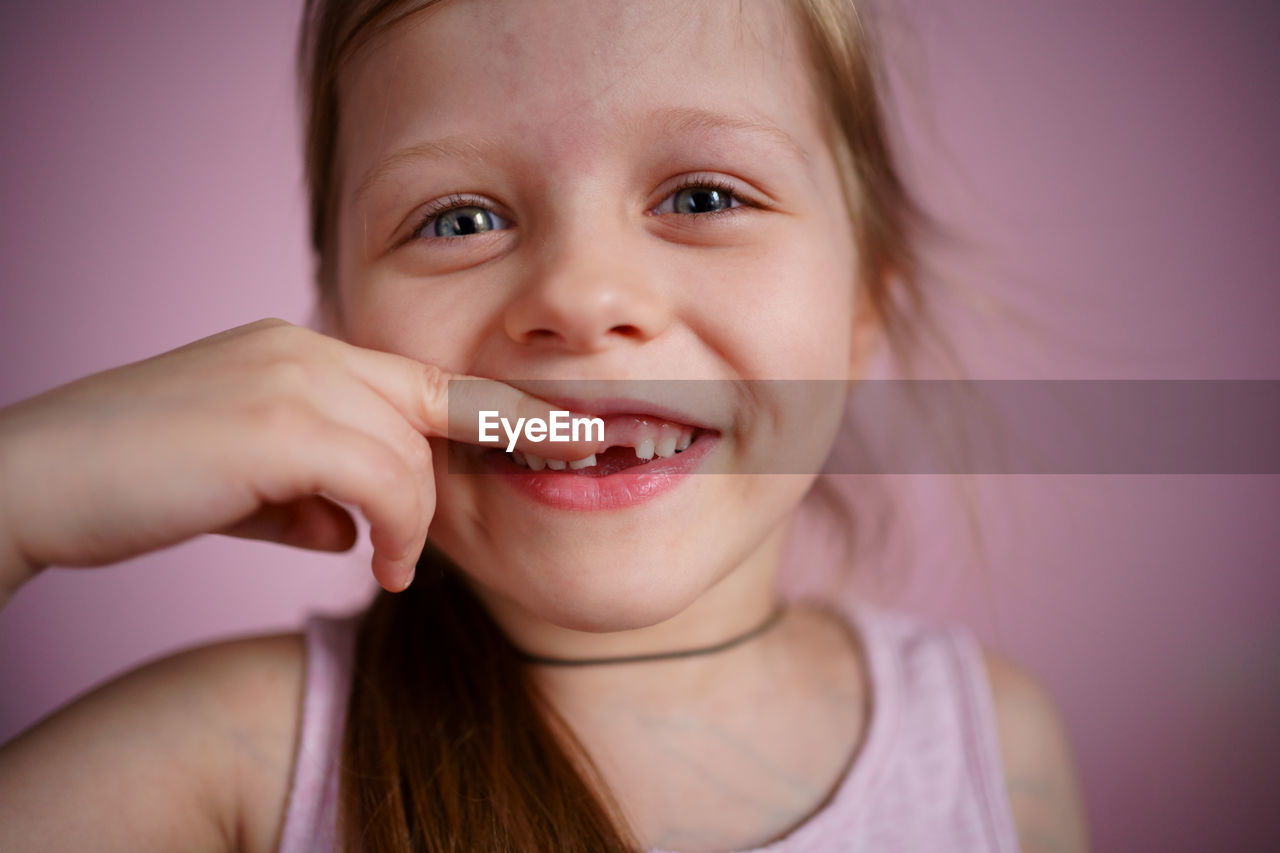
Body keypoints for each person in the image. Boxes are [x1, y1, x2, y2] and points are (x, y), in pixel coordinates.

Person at [0, 0, 1090, 850]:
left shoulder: (989, 745)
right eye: (458, 219)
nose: (577, 293)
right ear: (335, 329)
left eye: (703, 198)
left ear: (860, 313)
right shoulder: (233, 758)